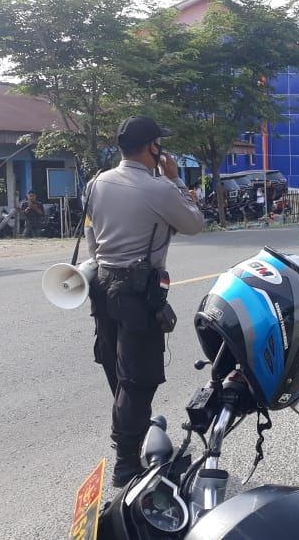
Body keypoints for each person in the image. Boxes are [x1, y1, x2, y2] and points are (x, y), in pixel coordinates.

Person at [84, 115, 204, 487]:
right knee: (137, 379)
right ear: (153, 147)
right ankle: (125, 465)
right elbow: (195, 223)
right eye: (159, 145)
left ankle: (133, 439)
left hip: (101, 284)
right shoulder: (159, 188)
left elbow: (91, 235)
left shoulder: (96, 183)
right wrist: (176, 179)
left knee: (116, 368)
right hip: (136, 293)